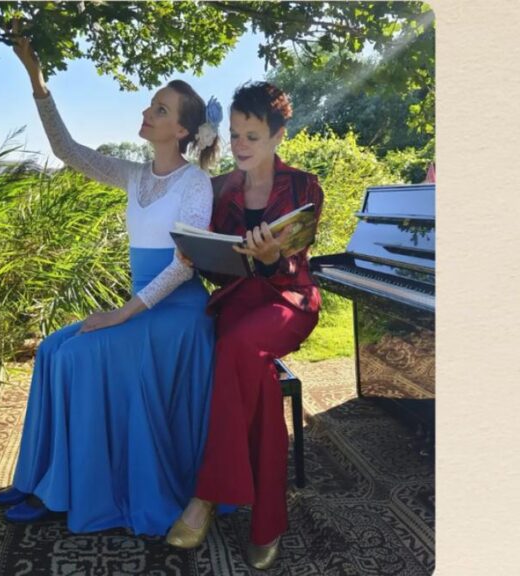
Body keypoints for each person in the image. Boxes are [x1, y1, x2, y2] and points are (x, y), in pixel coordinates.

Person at [0, 25, 224, 537]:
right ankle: (36, 477)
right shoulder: (133, 175)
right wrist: (37, 81)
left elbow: (184, 265)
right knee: (51, 349)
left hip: (178, 316)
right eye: (151, 105)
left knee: (76, 356)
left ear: (182, 131)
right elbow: (67, 151)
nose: (147, 112)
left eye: (160, 109)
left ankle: (64, 492)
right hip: (143, 306)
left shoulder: (196, 183)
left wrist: (121, 313)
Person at [165, 81, 324, 570]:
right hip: (238, 298)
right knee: (251, 368)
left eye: (252, 136)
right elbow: (222, 269)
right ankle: (268, 518)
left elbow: (293, 264)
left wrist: (272, 257)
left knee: (236, 345)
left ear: (278, 135)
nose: (239, 145)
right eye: (234, 134)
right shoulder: (220, 190)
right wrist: (197, 255)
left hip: (288, 299)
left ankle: (207, 496)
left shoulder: (304, 187)